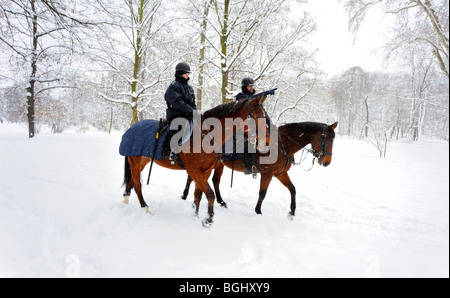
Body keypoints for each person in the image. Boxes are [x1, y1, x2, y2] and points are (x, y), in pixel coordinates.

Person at [235, 77, 276, 177]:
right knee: (250, 142)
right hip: (242, 126)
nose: (252, 88)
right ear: (245, 87)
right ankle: (250, 166)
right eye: (249, 86)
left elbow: (263, 113)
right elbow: (249, 99)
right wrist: (264, 93)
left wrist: (270, 123)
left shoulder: (256, 101)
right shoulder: (240, 97)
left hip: (255, 126)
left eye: (252, 86)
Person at [163, 62, 197, 160]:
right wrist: (190, 111)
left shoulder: (189, 88)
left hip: (188, 114)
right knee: (181, 126)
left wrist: (195, 112)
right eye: (185, 73)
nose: (187, 75)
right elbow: (177, 102)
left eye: (188, 74)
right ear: (180, 73)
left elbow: (193, 102)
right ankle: (169, 151)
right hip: (176, 114)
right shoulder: (174, 86)